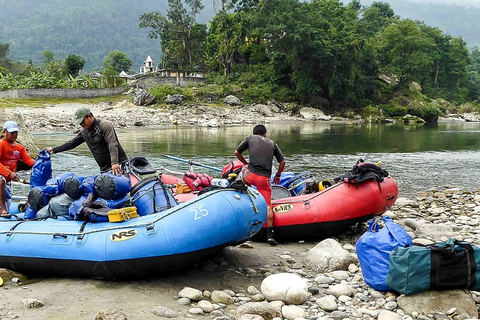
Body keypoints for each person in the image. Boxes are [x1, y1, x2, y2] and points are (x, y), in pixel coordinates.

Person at [235, 124, 286, 245]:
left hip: (250, 176)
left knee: (242, 176)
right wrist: (278, 175)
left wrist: (246, 163)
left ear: (254, 133)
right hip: (264, 179)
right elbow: (282, 162)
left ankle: (242, 199)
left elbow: (237, 152)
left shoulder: (250, 138)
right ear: (265, 133)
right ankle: (270, 235)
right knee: (268, 205)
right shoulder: (273, 144)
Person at [44, 107, 129, 175]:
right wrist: (54, 149)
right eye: (80, 123)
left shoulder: (104, 125)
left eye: (83, 121)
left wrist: (114, 163)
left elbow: (112, 143)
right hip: (104, 169)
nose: (82, 125)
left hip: (118, 164)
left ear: (89, 116)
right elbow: (72, 144)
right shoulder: (85, 133)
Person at [0, 121, 35, 217]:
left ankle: (5, 208)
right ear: (5, 132)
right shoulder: (1, 144)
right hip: (2, 177)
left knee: (8, 201)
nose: (14, 135)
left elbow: (28, 161)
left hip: (9, 182)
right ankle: (3, 209)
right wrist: (8, 173)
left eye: (16, 132)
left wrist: (40, 162)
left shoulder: (19, 148)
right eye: (12, 133)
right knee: (1, 180)